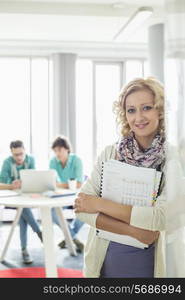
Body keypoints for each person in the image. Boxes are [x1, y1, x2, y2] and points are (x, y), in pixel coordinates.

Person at [74, 77, 166, 278]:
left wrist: (98, 204)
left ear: (160, 110)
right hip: (105, 259)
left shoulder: (172, 159)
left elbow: (159, 218)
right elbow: (81, 207)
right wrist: (135, 231)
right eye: (131, 110)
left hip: (150, 263)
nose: (138, 117)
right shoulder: (110, 153)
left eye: (147, 108)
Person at [0, 140, 42, 264]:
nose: (19, 157)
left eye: (21, 154)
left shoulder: (31, 160)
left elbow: (35, 179)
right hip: (11, 199)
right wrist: (11, 186)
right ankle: (39, 232)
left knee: (23, 212)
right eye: (15, 155)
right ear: (11, 153)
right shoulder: (7, 163)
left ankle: (24, 250)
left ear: (25, 151)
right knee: (23, 209)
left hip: (27, 198)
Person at [49, 136, 84, 253]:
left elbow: (79, 184)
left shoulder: (76, 160)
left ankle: (68, 238)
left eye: (59, 150)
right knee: (53, 212)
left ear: (67, 149)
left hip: (76, 195)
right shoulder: (53, 162)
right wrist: (67, 184)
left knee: (86, 212)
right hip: (61, 196)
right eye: (55, 151)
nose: (57, 153)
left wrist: (60, 184)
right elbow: (51, 183)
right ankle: (73, 238)